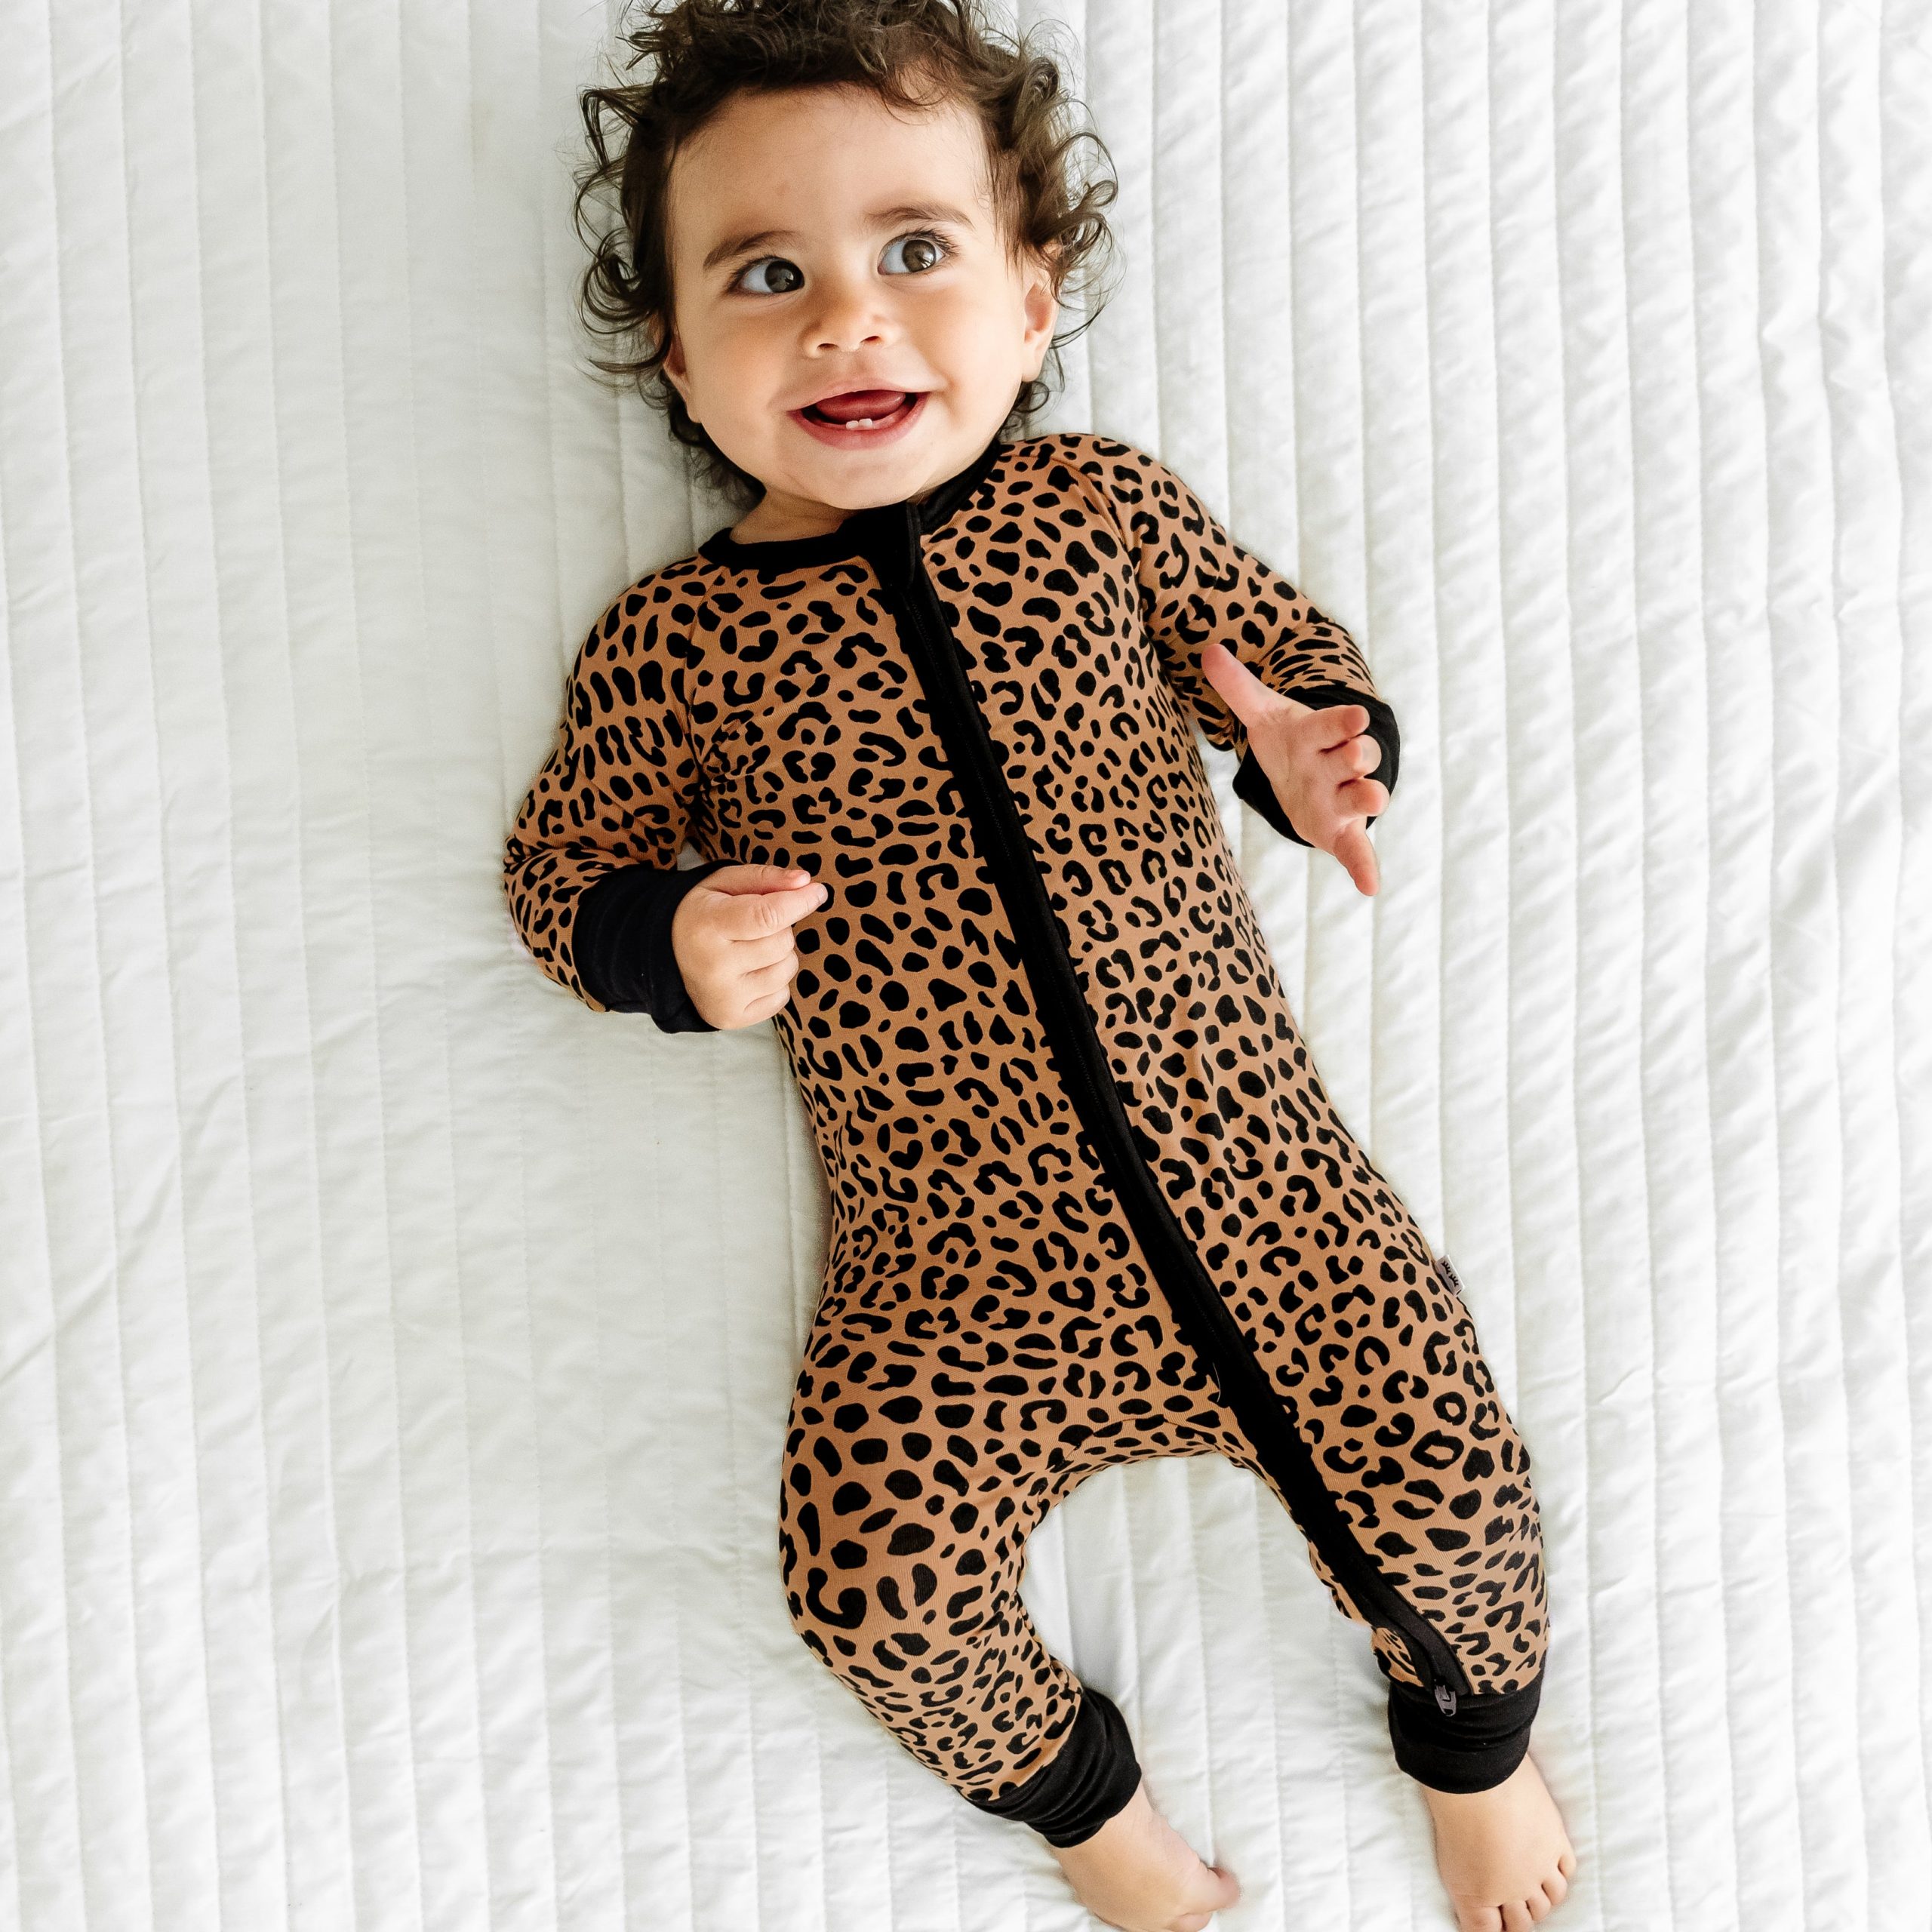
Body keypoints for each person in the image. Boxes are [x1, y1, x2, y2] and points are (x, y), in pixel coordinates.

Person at [503, 3, 1580, 1927]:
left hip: (1259, 1187)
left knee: (1449, 1494)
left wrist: (1307, 749)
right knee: (870, 1582)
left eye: (913, 249)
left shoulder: (1096, 510)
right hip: (948, 1266)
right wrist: (665, 940)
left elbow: (1276, 657)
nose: (847, 319)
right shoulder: (676, 642)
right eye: (766, 275)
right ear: (674, 352)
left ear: (1028, 294)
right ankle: (1089, 1809)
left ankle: (1474, 1747)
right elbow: (556, 866)